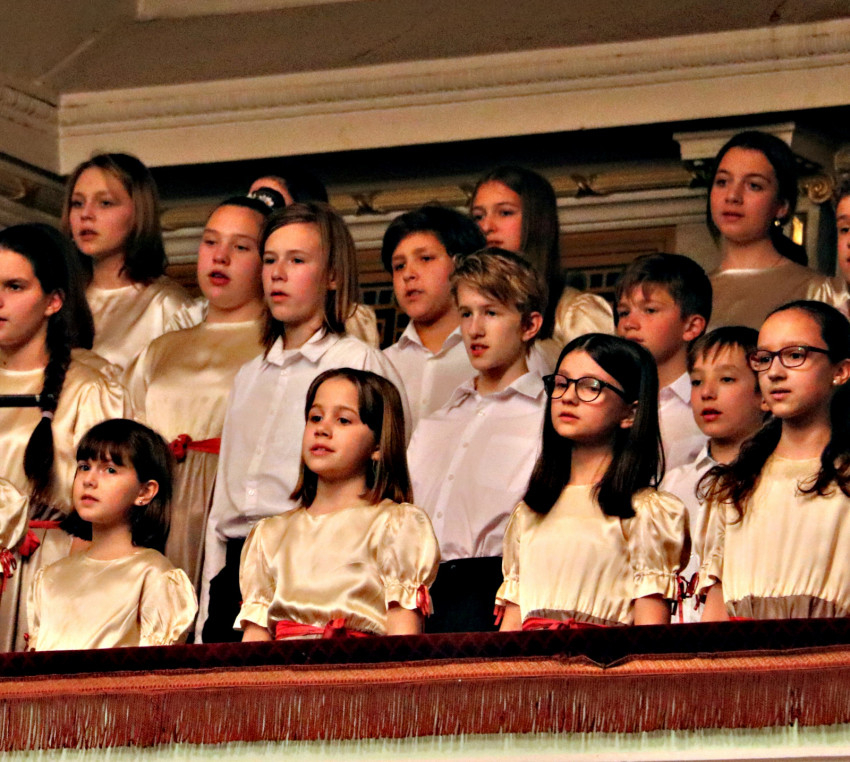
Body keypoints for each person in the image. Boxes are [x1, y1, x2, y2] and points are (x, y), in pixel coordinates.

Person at [200, 202, 408, 642]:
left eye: (296, 261)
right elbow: (222, 507)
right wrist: (208, 605)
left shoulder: (357, 362)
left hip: (314, 567)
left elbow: (389, 475)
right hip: (237, 567)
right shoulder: (248, 375)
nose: (278, 274)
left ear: (332, 276)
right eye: (270, 260)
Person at [125, 196, 271, 591]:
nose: (220, 256)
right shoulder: (160, 349)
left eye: (240, 247)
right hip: (151, 507)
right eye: (210, 242)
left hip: (228, 509)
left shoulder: (278, 349)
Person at [497, 334, 688, 630]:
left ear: (630, 412)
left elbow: (651, 636)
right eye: (561, 383)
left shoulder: (646, 513)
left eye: (591, 386)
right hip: (530, 659)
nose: (568, 397)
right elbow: (510, 632)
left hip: (605, 659)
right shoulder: (530, 512)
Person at [0, 224, 129, 651]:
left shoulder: (90, 385)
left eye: (14, 286)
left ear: (53, 301)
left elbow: (110, 510)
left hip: (46, 571)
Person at [237, 369, 439, 640]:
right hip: (282, 668)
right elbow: (253, 648)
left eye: (343, 420)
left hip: (359, 667)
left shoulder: (395, 526)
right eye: (315, 417)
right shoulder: (269, 535)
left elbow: (403, 643)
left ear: (378, 446)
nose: (322, 429)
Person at [407, 248, 547, 632]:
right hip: (418, 596)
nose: (474, 329)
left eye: (491, 313)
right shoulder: (436, 422)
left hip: (497, 593)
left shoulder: (546, 418)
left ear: (530, 325)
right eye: (466, 313)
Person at [698, 301, 850, 621]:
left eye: (795, 355)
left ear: (841, 371)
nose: (775, 372)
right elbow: (715, 615)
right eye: (765, 359)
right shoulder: (734, 486)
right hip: (741, 651)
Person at [27, 419, 197, 650]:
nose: (89, 480)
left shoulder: (154, 576)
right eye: (84, 467)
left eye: (110, 470)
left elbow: (157, 670)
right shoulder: (49, 578)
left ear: (145, 491)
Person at [661, 326, 765, 623]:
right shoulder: (673, 483)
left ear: (764, 392)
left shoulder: (772, 483)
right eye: (696, 381)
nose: (707, 393)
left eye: (727, 379)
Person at [63, 153, 193, 369]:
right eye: (77, 203)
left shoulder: (167, 306)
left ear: (139, 213)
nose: (85, 214)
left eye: (105, 203)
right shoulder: (58, 301)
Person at [706, 131, 846, 330]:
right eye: (722, 182)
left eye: (754, 185)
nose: (732, 196)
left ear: (782, 206)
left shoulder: (822, 293)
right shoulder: (690, 293)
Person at [470, 165, 614, 348]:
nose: (486, 226)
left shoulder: (576, 313)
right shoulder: (466, 310)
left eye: (505, 213)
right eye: (478, 217)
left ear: (536, 220)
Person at [381, 205, 485, 429]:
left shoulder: (491, 356)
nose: (408, 274)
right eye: (399, 266)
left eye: (425, 258)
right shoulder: (382, 365)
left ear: (461, 265)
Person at [615, 253, 711, 469]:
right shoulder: (614, 399)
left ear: (691, 326)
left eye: (650, 310)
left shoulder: (707, 404)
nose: (629, 324)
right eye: (623, 312)